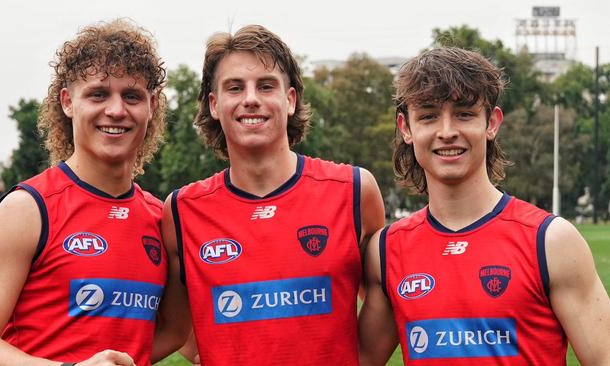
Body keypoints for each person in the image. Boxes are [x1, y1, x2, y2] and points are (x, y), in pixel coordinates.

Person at [358, 47, 610, 365]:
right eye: (428, 116)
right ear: (406, 128)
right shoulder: (386, 251)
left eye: (464, 114)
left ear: (492, 123)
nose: (447, 132)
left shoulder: (551, 241)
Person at [0, 19, 189, 366]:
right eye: (98, 93)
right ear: (68, 102)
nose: (116, 110)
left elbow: (175, 330)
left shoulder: (161, 218)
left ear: (152, 105)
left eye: (132, 96)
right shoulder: (28, 209)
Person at [159, 24, 385, 365]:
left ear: (290, 99)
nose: (251, 98)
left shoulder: (355, 190)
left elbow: (381, 311)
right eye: (235, 87)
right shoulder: (180, 210)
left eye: (266, 86)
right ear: (215, 104)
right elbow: (176, 328)